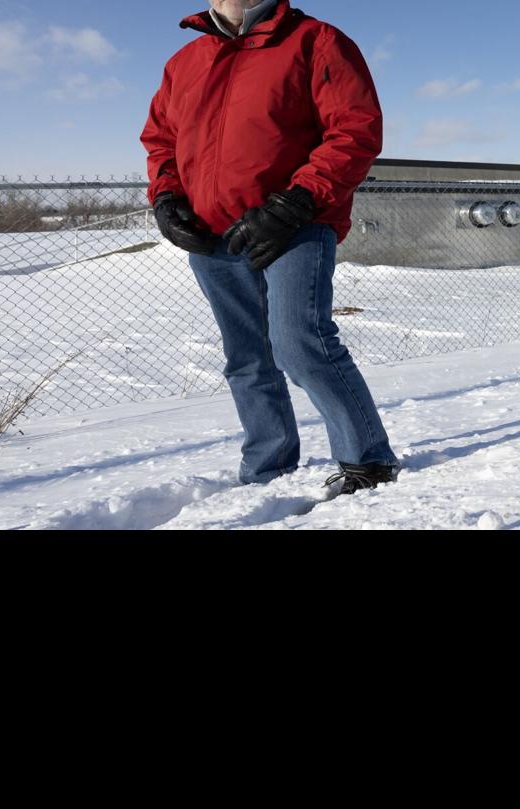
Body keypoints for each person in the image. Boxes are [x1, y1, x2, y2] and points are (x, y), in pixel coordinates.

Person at [140, 0, 399, 495]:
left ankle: (368, 462)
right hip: (211, 233)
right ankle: (268, 468)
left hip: (295, 223)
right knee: (246, 357)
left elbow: (355, 131)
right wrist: (167, 197)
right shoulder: (185, 62)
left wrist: (297, 202)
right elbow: (161, 140)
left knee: (300, 343)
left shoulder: (316, 41)